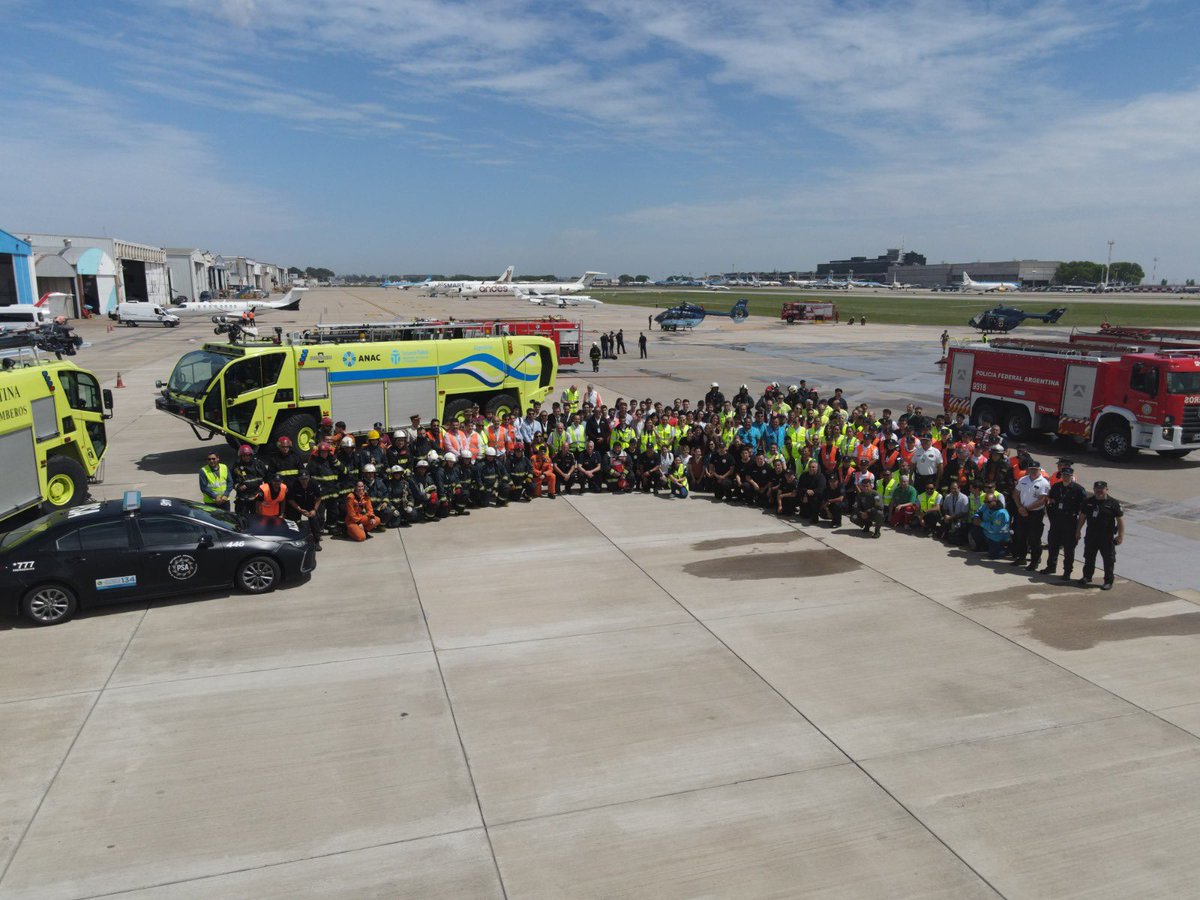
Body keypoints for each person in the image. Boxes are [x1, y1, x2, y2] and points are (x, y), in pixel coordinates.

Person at [1076, 480, 1124, 590]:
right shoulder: (1088, 502)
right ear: (1093, 490)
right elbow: (1082, 517)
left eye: (1101, 489)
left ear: (1106, 490)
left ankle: (1108, 581)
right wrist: (1078, 530)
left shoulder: (1113, 503)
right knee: (1089, 558)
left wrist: (1120, 536)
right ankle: (1087, 577)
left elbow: (1120, 520)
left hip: (1106, 538)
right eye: (1097, 489)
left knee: (1108, 560)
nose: (1099, 491)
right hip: (1091, 536)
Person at [1041, 466, 1086, 579]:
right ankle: (1051, 567)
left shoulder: (1078, 489)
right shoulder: (1056, 487)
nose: (1065, 477)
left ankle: (1067, 572)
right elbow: (1050, 500)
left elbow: (1083, 509)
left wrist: (1078, 529)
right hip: (1056, 520)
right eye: (1064, 475)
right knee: (1052, 544)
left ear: (1072, 476)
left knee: (1068, 548)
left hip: (1070, 521)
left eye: (1068, 475)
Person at [1011, 458, 1050, 570]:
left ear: (1039, 470)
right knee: (1021, 536)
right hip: (1021, 512)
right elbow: (1015, 494)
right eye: (1031, 469)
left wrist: (1026, 509)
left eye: (1035, 469)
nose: (1032, 471)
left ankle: (1034, 561)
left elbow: (1042, 500)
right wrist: (1020, 507)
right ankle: (1021, 558)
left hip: (1035, 514)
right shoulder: (1023, 479)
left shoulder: (1044, 483)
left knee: (1034, 539)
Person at [286, 467, 323, 548]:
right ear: (298, 479)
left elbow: (319, 498)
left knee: (315, 519)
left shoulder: (315, 483)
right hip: (297, 504)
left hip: (310, 504)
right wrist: (299, 509)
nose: (304, 481)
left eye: (306, 478)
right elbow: (290, 499)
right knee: (292, 520)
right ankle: (293, 538)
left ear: (309, 478)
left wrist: (314, 510)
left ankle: (316, 541)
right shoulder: (293, 485)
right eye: (302, 479)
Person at [232, 444, 267, 516]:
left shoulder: (258, 464)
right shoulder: (236, 466)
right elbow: (232, 480)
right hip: (242, 498)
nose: (246, 457)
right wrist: (238, 487)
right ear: (241, 456)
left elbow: (263, 478)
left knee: (257, 519)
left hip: (256, 497)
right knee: (241, 519)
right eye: (244, 455)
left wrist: (248, 484)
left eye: (248, 455)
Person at [979, 493, 1012, 559]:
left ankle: (1010, 549)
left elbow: (995, 528)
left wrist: (981, 523)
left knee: (993, 556)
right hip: (988, 534)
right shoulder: (987, 506)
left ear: (995, 501)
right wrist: (976, 517)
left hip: (998, 537)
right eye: (985, 502)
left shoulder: (1001, 513)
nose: (986, 503)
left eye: (988, 502)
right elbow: (978, 511)